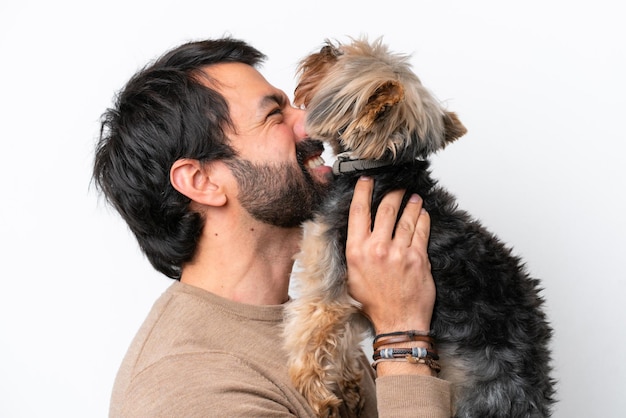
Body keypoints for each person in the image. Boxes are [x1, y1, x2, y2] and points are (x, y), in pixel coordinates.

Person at [93, 37, 451, 417]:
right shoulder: (191, 386)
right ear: (201, 181)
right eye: (274, 116)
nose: (311, 121)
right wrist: (402, 334)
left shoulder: (308, 326)